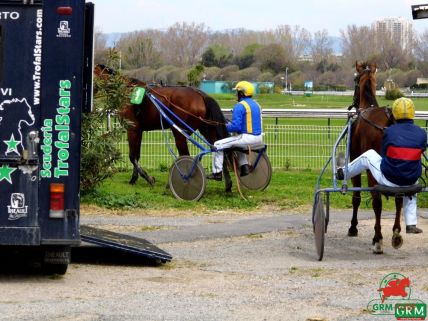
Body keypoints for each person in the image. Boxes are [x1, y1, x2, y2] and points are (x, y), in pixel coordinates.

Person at [336, 97, 426, 234]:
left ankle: (343, 172)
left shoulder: (389, 132)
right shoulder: (422, 133)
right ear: (413, 113)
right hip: (410, 183)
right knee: (412, 183)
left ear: (394, 113)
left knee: (369, 155)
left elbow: (384, 154)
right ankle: (411, 223)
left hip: (388, 180)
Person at [207, 81, 263, 181]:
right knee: (236, 144)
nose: (236, 94)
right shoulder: (257, 105)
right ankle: (244, 167)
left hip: (247, 138)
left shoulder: (239, 106)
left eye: (237, 92)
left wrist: (222, 126)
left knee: (217, 145)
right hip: (259, 138)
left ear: (241, 93)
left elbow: (236, 127)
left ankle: (217, 173)